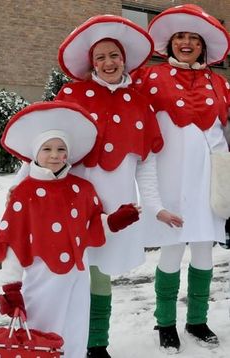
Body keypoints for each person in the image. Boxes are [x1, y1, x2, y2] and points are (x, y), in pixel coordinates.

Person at [55, 14, 184, 358]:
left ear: (124, 59)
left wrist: (155, 207)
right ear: (91, 62)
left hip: (117, 207)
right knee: (67, 273)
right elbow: (49, 148)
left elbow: (146, 165)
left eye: (114, 55)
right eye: (100, 57)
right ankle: (62, 339)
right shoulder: (72, 94)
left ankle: (97, 343)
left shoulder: (140, 104)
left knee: (100, 276)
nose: (108, 62)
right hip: (73, 203)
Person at [0, 101, 141, 358]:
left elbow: (92, 227)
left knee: (75, 331)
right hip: (42, 278)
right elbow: (14, 244)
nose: (54, 155)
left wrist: (116, 220)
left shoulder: (81, 189)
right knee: (41, 333)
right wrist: (11, 287)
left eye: (60, 149)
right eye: (47, 149)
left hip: (77, 275)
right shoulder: (24, 193)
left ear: (68, 154)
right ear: (35, 154)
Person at [132, 3, 230, 353]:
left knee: (204, 252)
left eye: (194, 38)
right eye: (179, 37)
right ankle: (165, 322)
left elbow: (225, 130)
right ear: (170, 43)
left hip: (208, 184)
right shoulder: (149, 77)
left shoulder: (219, 83)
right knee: (171, 252)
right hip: (170, 180)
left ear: (204, 46)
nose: (186, 43)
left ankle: (198, 319)